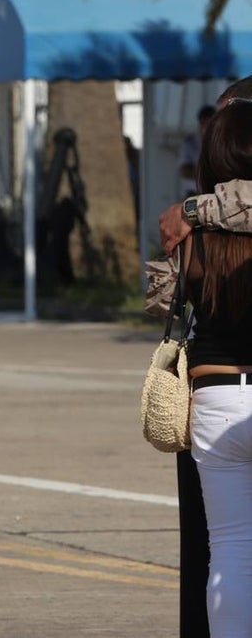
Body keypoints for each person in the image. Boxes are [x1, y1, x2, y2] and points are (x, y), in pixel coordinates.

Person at [180, 99, 252, 637]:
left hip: (214, 399)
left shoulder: (184, 233)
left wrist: (193, 212)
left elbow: (162, 303)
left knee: (228, 548)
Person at [179, 105, 215, 198]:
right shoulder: (190, 143)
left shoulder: (220, 143)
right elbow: (184, 170)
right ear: (200, 124)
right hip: (194, 194)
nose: (206, 128)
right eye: (204, 123)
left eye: (210, 124)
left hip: (214, 195)